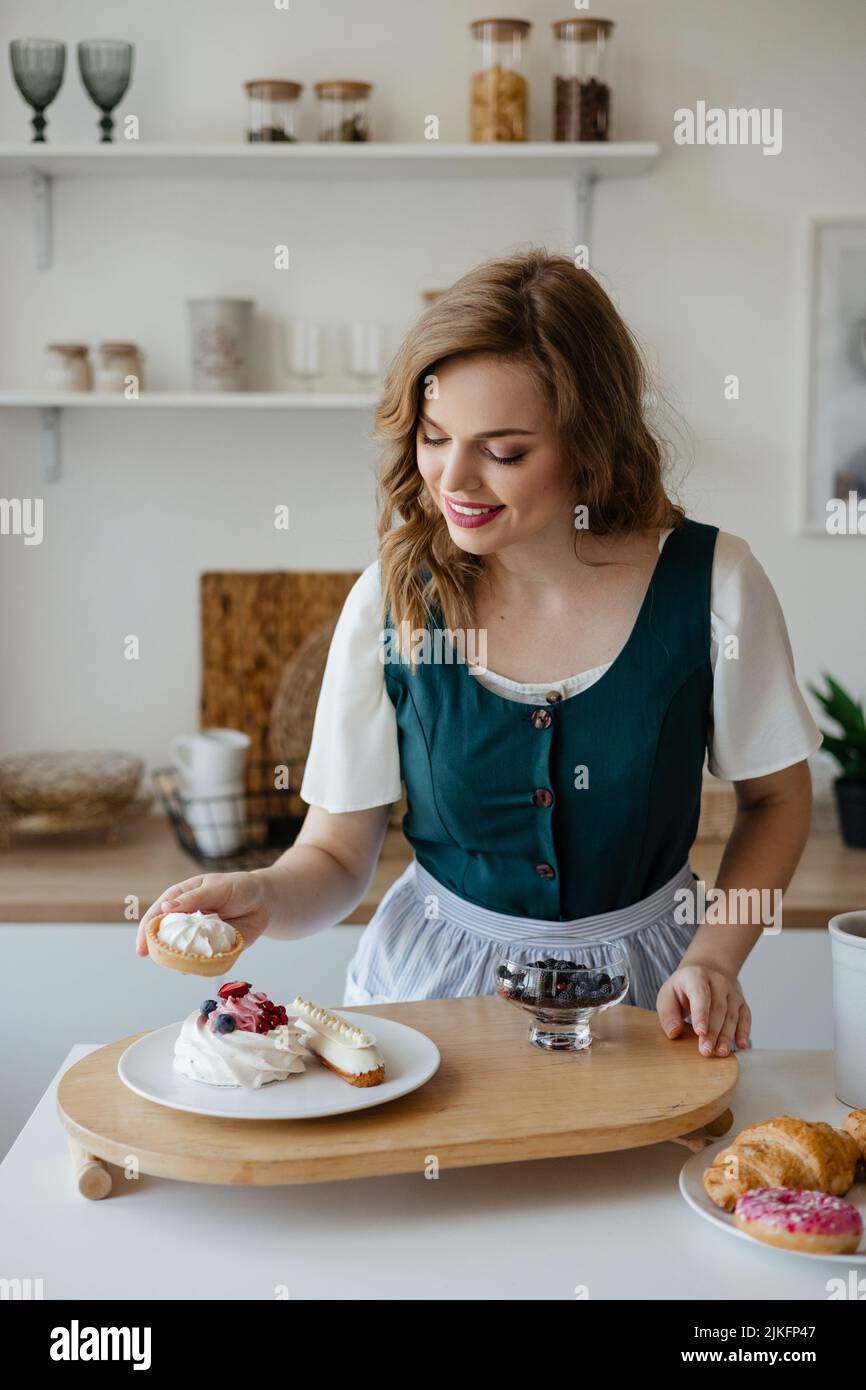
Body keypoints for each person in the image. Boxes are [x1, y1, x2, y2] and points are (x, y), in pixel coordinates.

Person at [138, 251, 820, 1058]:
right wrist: (261, 895)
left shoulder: (714, 583)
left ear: (589, 446)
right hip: (431, 997)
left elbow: (777, 803)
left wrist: (715, 957)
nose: (452, 478)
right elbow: (331, 855)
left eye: (503, 452)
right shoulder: (393, 601)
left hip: (651, 1000)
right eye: (434, 438)